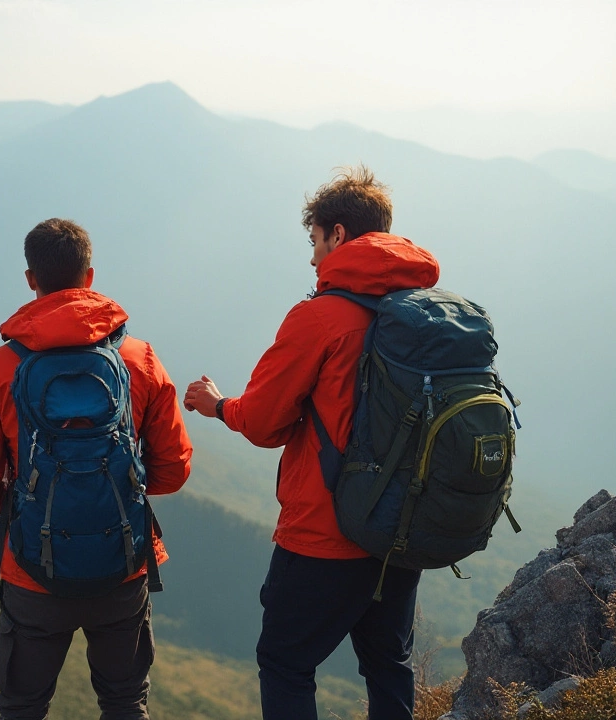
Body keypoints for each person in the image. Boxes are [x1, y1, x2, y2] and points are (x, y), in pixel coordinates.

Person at [184, 166, 439, 720]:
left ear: (339, 235)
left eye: (315, 241)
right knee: (388, 663)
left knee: (285, 663)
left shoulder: (319, 317)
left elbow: (264, 422)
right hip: (402, 524)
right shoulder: (426, 316)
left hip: (326, 531)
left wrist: (219, 404)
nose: (312, 257)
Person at [0, 218, 193, 720]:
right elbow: (172, 470)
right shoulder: (138, 359)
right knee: (126, 702)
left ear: (30, 279)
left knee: (23, 707)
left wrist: (28, 500)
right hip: (122, 560)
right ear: (90, 276)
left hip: (32, 568)